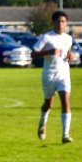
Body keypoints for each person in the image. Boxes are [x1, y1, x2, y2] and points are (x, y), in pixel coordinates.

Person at [31, 10, 74, 144]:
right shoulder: (46, 37)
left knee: (65, 101)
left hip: (64, 75)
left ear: (66, 24)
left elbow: (68, 51)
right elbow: (33, 54)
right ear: (53, 22)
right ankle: (42, 124)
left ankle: (65, 135)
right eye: (58, 21)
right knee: (48, 103)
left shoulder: (68, 38)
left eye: (63, 21)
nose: (60, 24)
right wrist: (49, 51)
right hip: (49, 75)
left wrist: (70, 55)